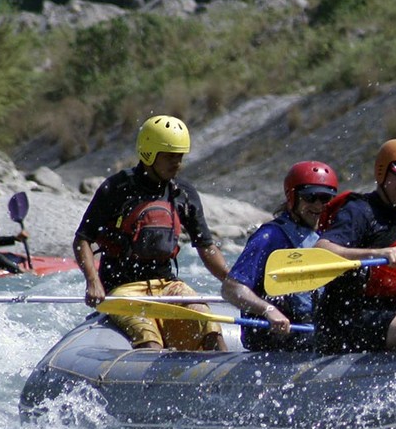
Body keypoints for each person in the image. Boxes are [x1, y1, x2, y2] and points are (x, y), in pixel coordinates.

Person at [74, 115, 290, 351]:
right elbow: (82, 239)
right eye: (169, 156)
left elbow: (206, 247)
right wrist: (93, 282)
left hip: (168, 284)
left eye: (180, 156)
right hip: (123, 287)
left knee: (210, 328)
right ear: (148, 153)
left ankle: (220, 382)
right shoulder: (116, 188)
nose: (176, 163)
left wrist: (234, 283)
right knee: (149, 340)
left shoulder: (183, 193)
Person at [312, 138, 396, 353]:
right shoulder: (359, 211)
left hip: (388, 311)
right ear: (382, 173)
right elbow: (321, 249)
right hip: (348, 320)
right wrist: (377, 253)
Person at [226, 161, 339, 351]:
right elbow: (231, 288)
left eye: (325, 198)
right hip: (275, 338)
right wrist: (268, 310)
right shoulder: (270, 237)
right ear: (292, 197)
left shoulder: (324, 238)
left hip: (310, 332)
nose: (318, 205)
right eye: (310, 197)